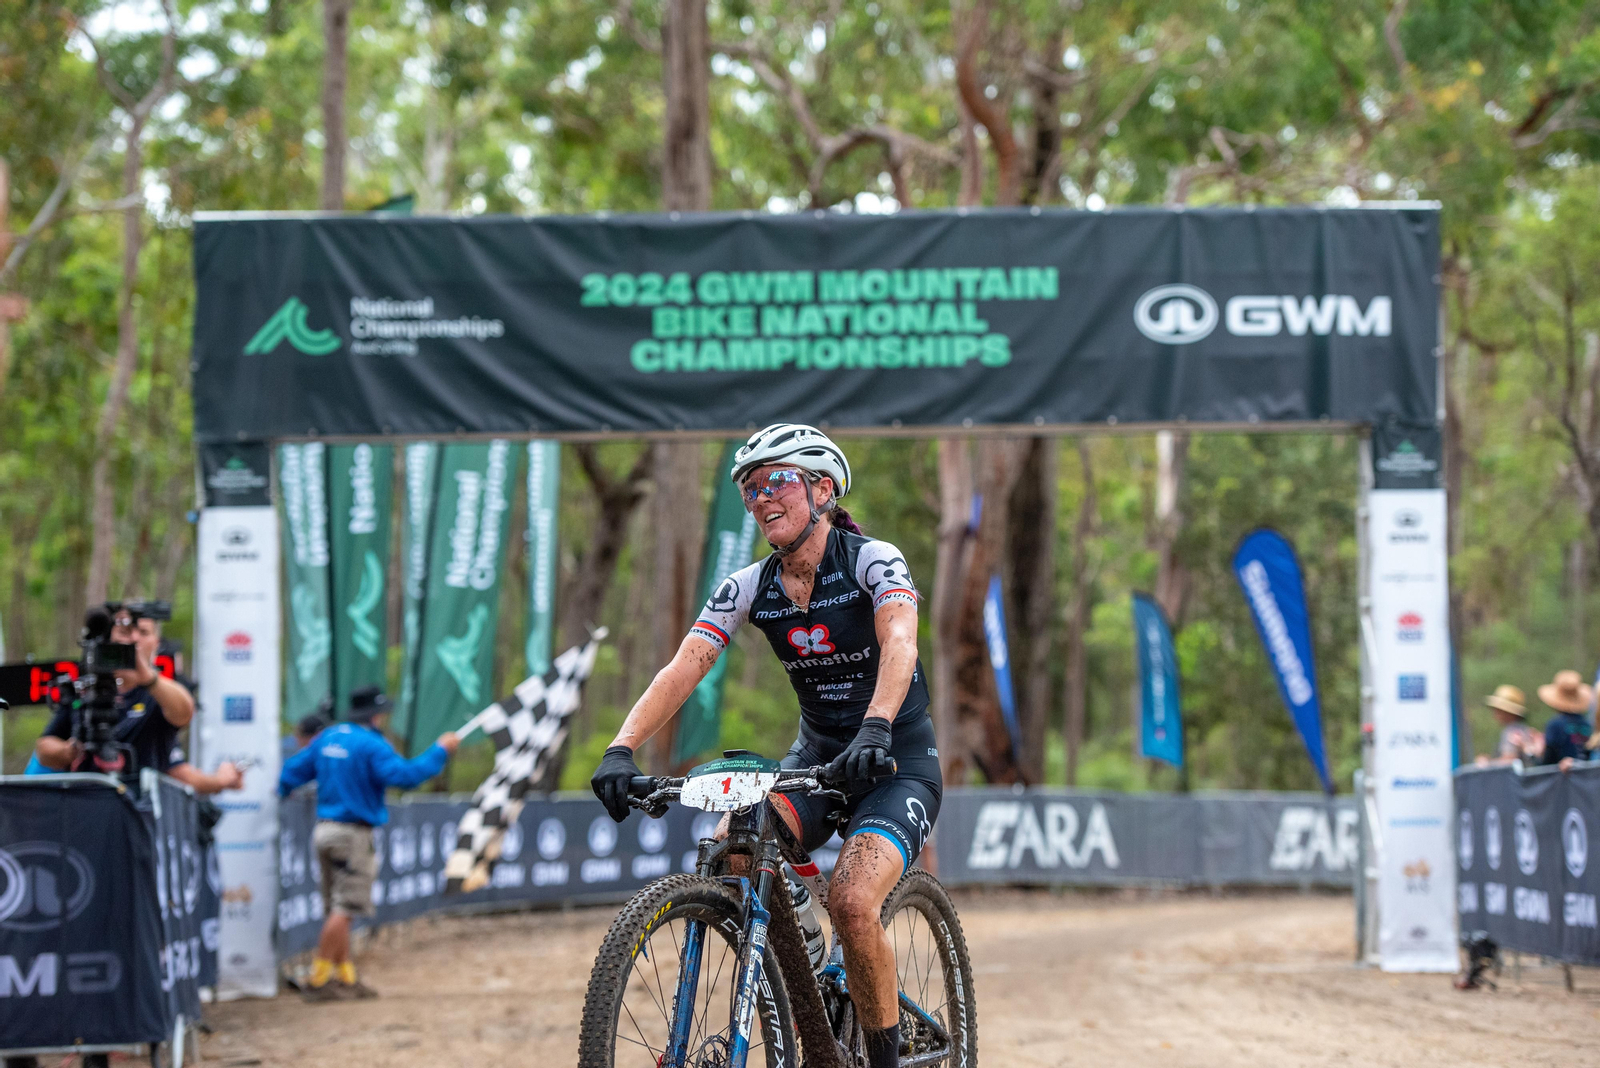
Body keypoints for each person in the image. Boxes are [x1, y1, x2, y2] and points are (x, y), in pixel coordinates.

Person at [591, 424, 935, 1068]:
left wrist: (878, 724)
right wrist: (621, 747)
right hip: (817, 760)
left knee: (855, 903)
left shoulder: (871, 559)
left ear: (822, 489)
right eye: (750, 490)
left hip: (893, 759)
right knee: (734, 849)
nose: (759, 498)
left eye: (775, 481)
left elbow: (900, 642)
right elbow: (684, 667)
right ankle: (803, 963)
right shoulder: (750, 584)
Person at [278, 686, 459, 1001]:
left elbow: (292, 771)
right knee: (346, 908)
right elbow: (406, 776)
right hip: (352, 835)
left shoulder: (329, 737)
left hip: (324, 830)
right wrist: (440, 751)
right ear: (376, 715)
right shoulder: (372, 744)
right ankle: (320, 980)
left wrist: (282, 792)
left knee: (336, 908)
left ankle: (345, 976)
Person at [34, 602, 195, 774]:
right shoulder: (86, 689)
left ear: (156, 643)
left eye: (143, 632)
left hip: (140, 795)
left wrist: (148, 678)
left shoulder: (158, 693)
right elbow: (44, 748)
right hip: (87, 791)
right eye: (125, 632)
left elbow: (184, 713)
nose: (134, 639)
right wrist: (68, 751)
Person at [1536, 669, 1596, 768]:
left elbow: (1548, 761)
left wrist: (1534, 755)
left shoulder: (1555, 725)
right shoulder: (1587, 724)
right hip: (1586, 780)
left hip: (1562, 779)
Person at [1475, 685, 1542, 766]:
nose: (1495, 714)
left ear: (1508, 712)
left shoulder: (1512, 731)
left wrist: (1487, 763)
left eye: (1498, 710)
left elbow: (1509, 760)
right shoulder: (1522, 729)